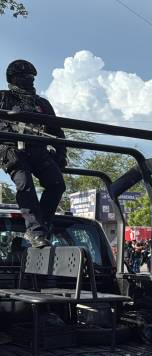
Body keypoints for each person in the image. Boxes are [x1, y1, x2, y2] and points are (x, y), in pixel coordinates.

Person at [0, 60, 66, 248]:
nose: (29, 81)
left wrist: (61, 154)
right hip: (11, 149)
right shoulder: (3, 97)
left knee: (57, 184)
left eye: (31, 78)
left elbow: (56, 131)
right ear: (13, 78)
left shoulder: (42, 103)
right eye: (24, 77)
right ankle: (36, 231)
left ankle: (40, 227)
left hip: (38, 150)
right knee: (25, 183)